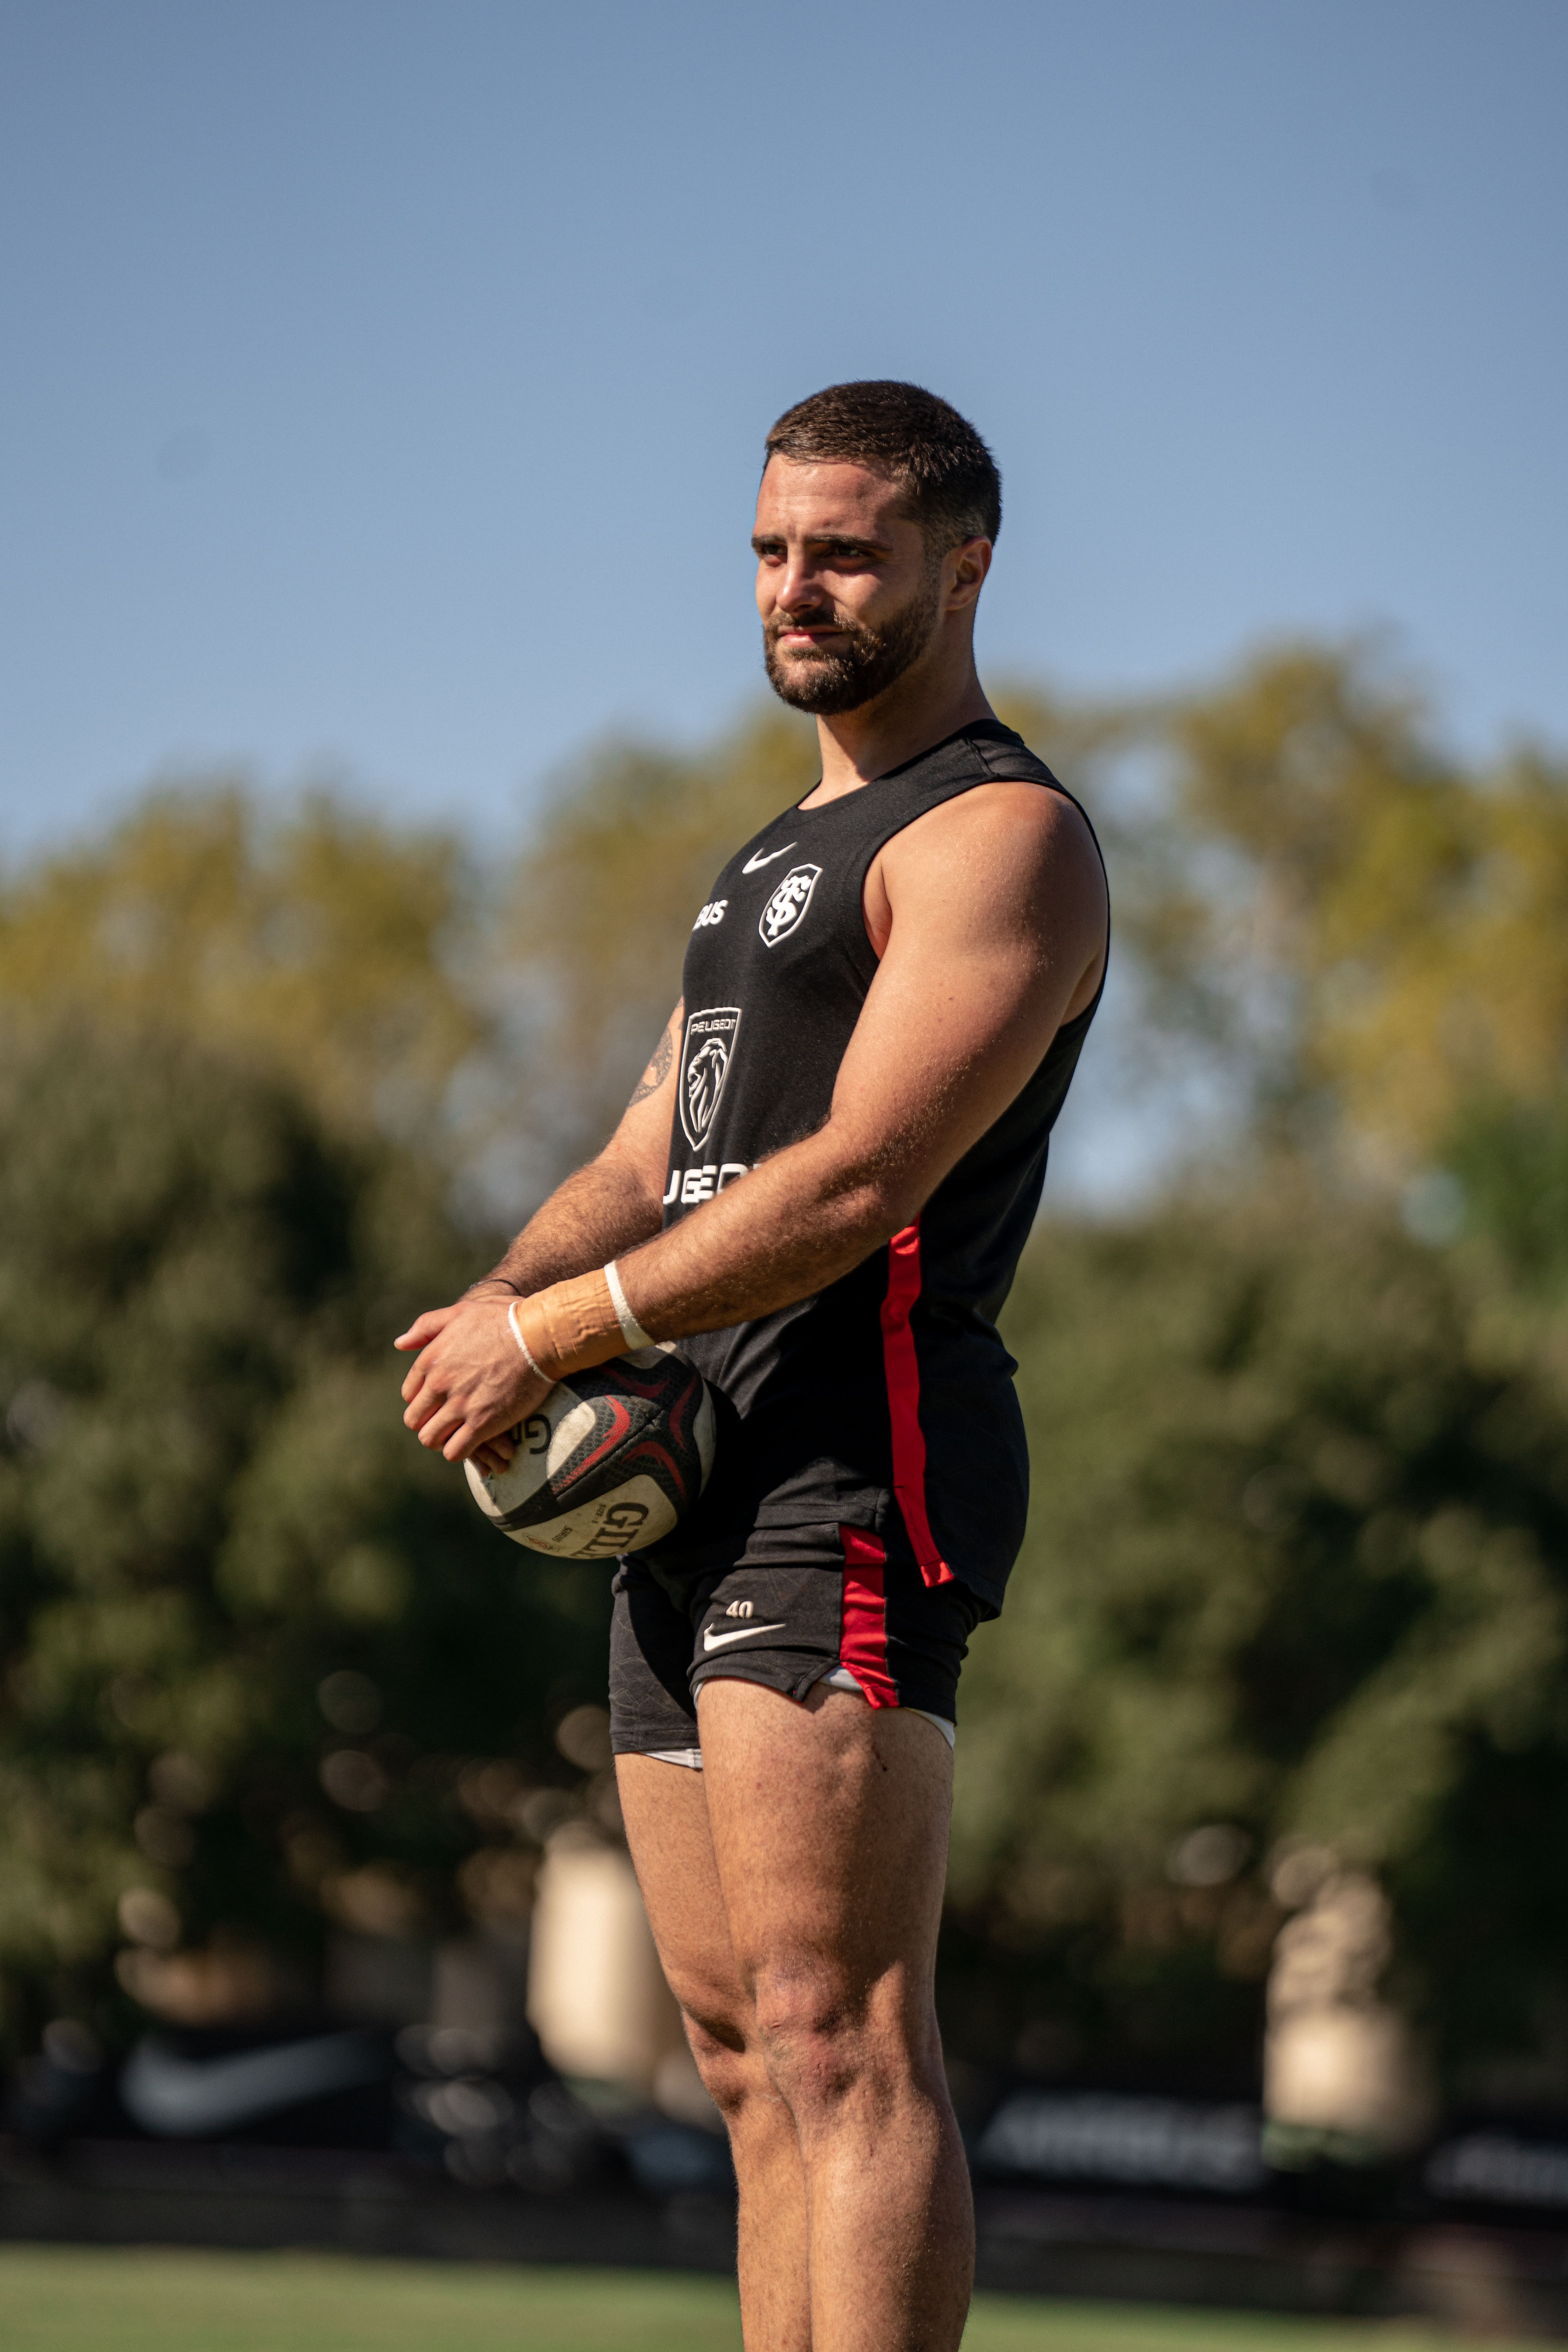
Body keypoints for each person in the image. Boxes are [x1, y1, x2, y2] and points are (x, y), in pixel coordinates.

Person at [396, 380, 1109, 2352]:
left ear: (965, 565)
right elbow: (652, 1152)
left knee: (842, 2032)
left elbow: (860, 1182)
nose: (799, 587)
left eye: (848, 549)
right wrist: (494, 1304)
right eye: (775, 549)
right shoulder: (768, 860)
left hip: (858, 1457)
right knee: (731, 2051)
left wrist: (553, 1333)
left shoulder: (1002, 837)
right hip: (701, 1468)